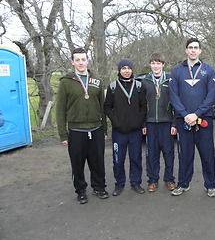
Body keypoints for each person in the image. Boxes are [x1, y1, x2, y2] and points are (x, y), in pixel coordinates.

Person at [56, 47, 109, 204]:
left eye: (83, 59)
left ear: (87, 60)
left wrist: (104, 128)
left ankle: (99, 187)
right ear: (72, 62)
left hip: (96, 129)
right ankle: (80, 190)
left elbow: (102, 107)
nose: (80, 62)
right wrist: (63, 134)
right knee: (77, 163)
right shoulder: (66, 83)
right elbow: (60, 110)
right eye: (77, 60)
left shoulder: (97, 81)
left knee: (97, 161)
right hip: (76, 130)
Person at [169, 37, 215, 197]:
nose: (193, 50)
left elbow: (212, 96)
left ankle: (210, 185)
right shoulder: (177, 71)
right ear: (186, 50)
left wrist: (196, 114)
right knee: (185, 155)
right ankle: (183, 184)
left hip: (204, 120)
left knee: (208, 154)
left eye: (196, 47)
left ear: (200, 50)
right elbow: (173, 96)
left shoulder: (208, 70)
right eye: (190, 47)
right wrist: (185, 115)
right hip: (183, 121)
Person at [104, 59, 147, 196]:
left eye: (129, 68)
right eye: (124, 68)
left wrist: (138, 122)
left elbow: (143, 107)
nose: (126, 71)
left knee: (136, 158)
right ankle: (119, 184)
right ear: (119, 70)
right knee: (118, 159)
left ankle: (136, 182)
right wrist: (115, 122)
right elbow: (107, 107)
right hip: (119, 131)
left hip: (135, 131)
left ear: (132, 70)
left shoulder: (139, 86)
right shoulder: (113, 87)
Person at [141, 53, 177, 192]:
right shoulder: (145, 81)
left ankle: (169, 179)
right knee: (152, 153)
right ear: (150, 65)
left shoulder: (170, 80)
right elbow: (142, 105)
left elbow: (176, 103)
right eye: (153, 63)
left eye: (158, 63)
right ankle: (152, 179)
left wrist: (174, 124)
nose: (156, 66)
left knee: (168, 153)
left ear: (163, 65)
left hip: (167, 123)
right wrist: (143, 124)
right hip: (150, 123)